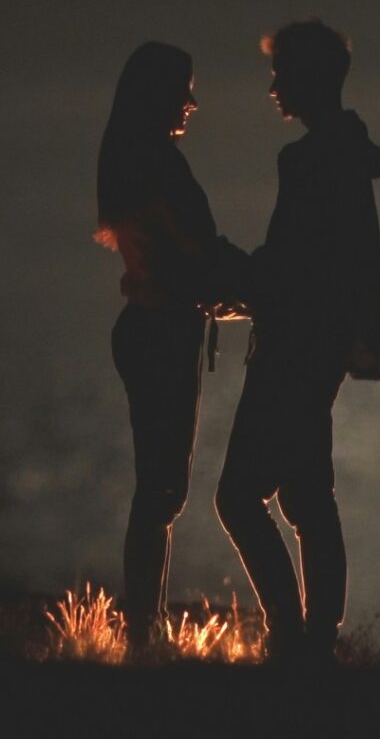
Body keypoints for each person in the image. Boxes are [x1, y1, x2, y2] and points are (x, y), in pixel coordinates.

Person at [214, 18, 380, 665]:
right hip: (324, 350)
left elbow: (291, 265)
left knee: (239, 497)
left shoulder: (309, 161)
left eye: (280, 74)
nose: (273, 88)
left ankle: (290, 632)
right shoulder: (350, 153)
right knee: (308, 497)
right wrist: (357, 346)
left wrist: (232, 275)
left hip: (292, 350)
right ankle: (318, 637)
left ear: (309, 79)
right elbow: (352, 265)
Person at [95, 41, 246, 647]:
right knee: (161, 489)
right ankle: (143, 632)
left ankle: (145, 627)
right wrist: (261, 284)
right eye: (184, 89)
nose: (191, 102)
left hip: (151, 328)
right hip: (162, 334)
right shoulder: (159, 165)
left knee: (159, 488)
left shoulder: (132, 161)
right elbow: (200, 254)